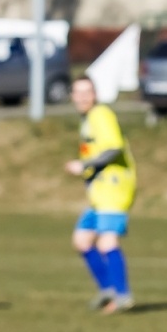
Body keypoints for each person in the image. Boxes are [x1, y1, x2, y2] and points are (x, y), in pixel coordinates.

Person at [66, 77, 136, 314]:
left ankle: (122, 295)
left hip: (114, 190)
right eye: (79, 92)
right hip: (99, 194)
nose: (84, 97)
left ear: (95, 94)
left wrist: (85, 164)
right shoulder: (87, 120)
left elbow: (114, 147)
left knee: (107, 242)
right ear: (72, 96)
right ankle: (108, 290)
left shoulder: (100, 114)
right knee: (82, 240)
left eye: (88, 92)